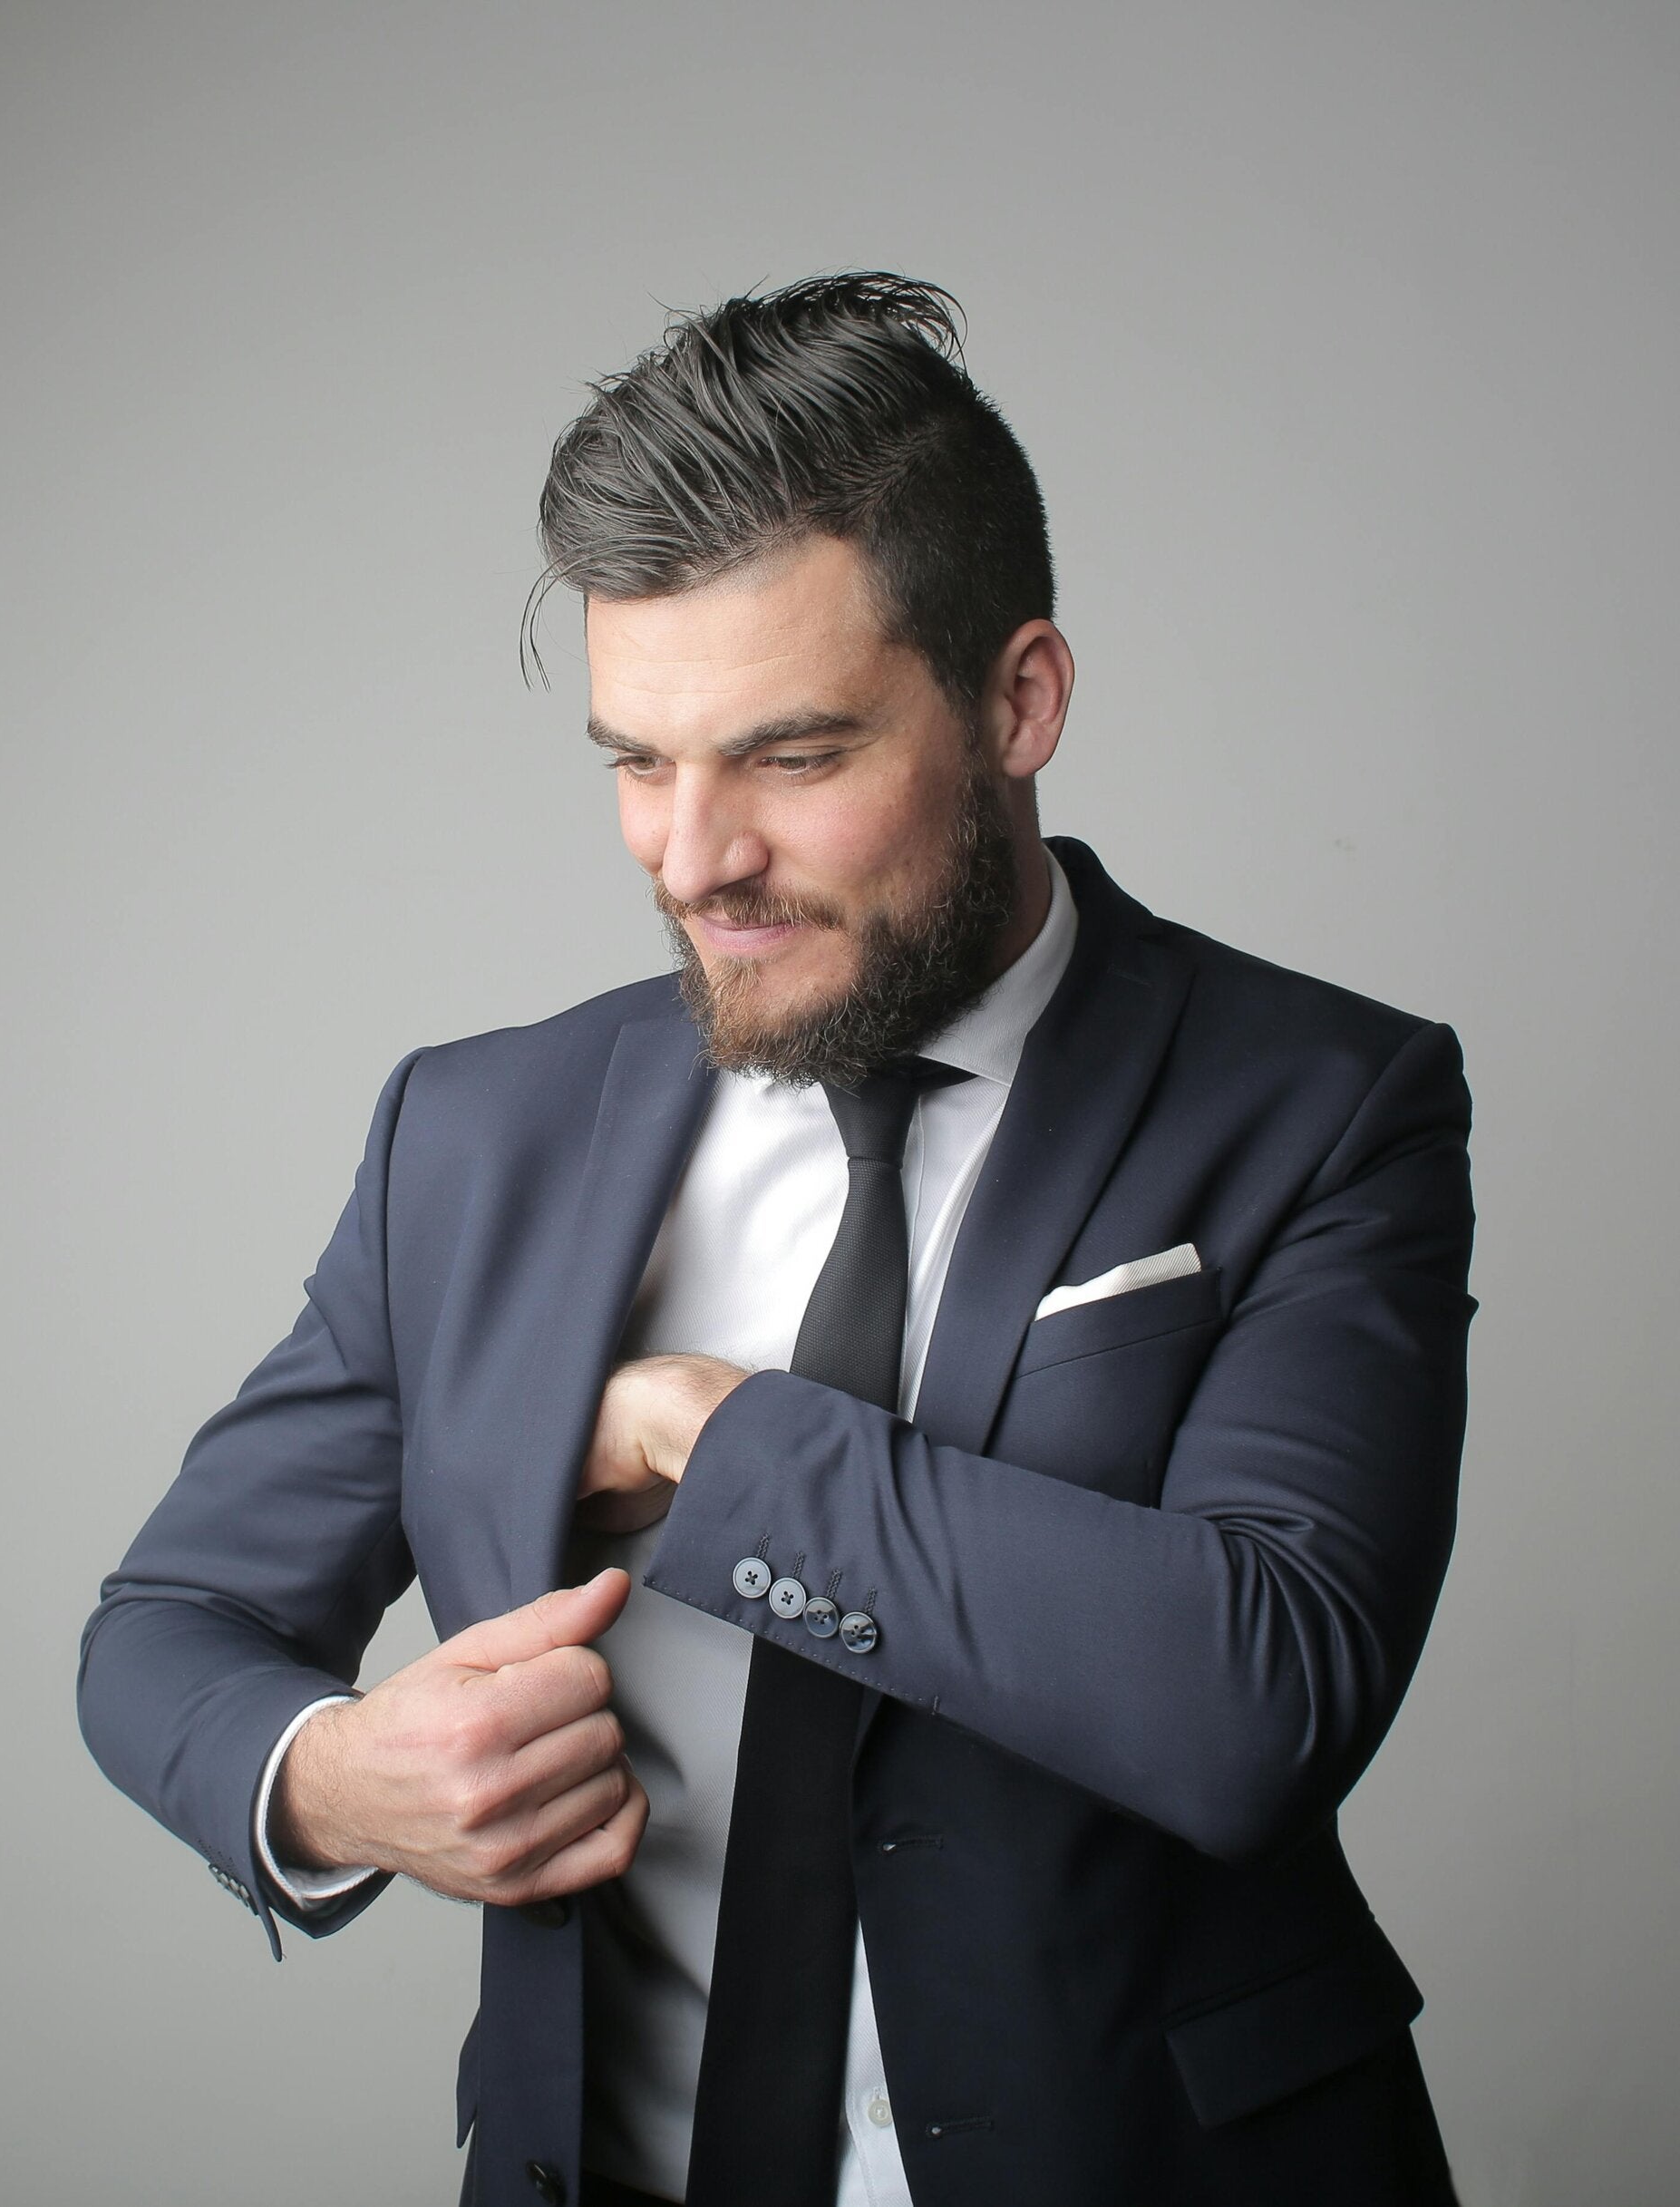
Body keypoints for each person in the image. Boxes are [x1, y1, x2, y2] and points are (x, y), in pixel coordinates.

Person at [79, 273, 1475, 2207]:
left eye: (792, 756)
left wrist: (708, 1431)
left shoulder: (1323, 1098)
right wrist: (330, 1779)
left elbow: (1264, 1696)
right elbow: (169, 1626)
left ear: (1020, 699)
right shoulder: (473, 1136)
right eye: (637, 760)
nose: (692, 855)